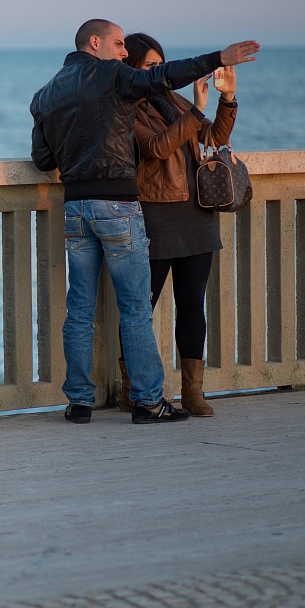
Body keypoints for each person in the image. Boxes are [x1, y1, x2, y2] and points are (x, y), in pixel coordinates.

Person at [29, 19, 259, 425]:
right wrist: (217, 58)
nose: (122, 51)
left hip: (76, 206)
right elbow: (165, 78)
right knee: (136, 308)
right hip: (118, 204)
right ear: (95, 42)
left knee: (80, 309)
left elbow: (44, 161)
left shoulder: (45, 94)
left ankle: (79, 402)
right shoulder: (115, 77)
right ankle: (149, 401)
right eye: (118, 43)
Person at [117, 32, 240, 418]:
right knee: (142, 307)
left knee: (192, 306)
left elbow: (213, 137)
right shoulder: (127, 107)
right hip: (155, 214)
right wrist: (195, 112)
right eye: (150, 66)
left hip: (196, 214)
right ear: (131, 69)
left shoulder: (172, 99)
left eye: (160, 64)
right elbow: (155, 148)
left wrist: (227, 99)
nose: (158, 71)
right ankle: (133, 389)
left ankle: (193, 392)